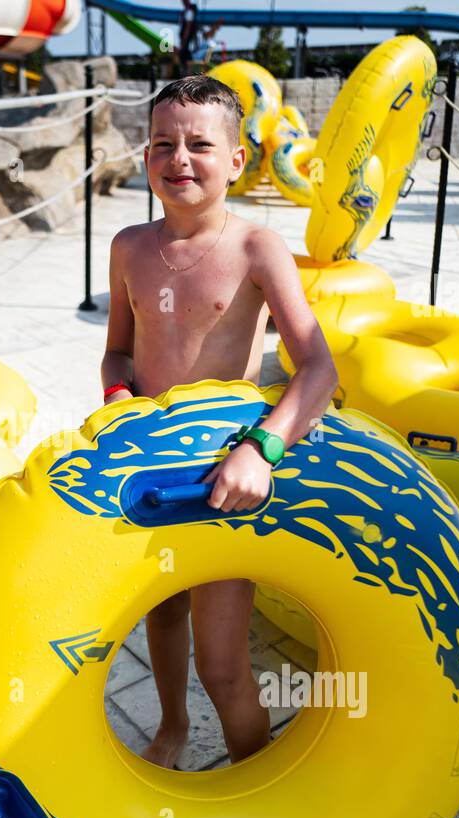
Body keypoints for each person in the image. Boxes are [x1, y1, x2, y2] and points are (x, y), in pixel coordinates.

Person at [100, 75, 338, 769]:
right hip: (150, 466)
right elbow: (117, 348)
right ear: (146, 158)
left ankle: (253, 779)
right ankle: (172, 728)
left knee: (225, 664)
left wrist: (262, 449)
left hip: (225, 473)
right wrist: (118, 393)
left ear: (236, 161)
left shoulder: (257, 250)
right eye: (162, 144)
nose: (179, 158)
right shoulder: (128, 248)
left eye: (200, 144)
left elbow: (318, 367)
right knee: (162, 615)